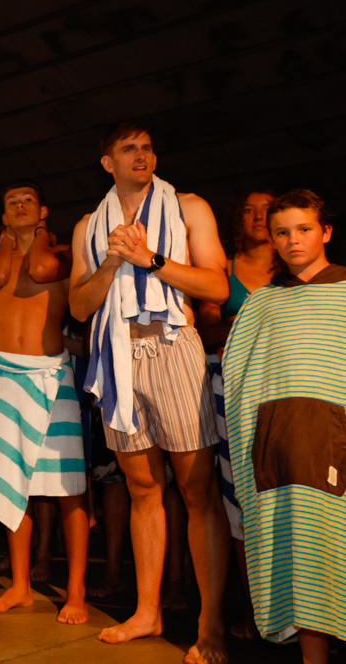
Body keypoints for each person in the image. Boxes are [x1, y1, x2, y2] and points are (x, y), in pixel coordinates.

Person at [69, 122, 230, 662]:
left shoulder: (188, 207)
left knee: (196, 491)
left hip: (173, 343)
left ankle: (210, 625)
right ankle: (147, 611)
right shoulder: (88, 227)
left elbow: (218, 287)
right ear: (107, 163)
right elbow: (77, 306)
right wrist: (114, 260)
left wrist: (151, 261)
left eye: (147, 147)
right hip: (116, 354)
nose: (142, 155)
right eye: (128, 149)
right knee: (141, 490)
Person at [223, 189, 346, 664]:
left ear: (326, 232)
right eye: (282, 233)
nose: (292, 241)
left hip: (334, 436)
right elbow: (239, 376)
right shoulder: (261, 302)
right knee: (303, 552)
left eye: (304, 229)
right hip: (282, 443)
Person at [0, 182, 89, 624]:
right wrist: (9, 243)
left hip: (49, 374)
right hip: (2, 375)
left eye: (28, 201)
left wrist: (37, 235)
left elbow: (40, 269)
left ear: (43, 209)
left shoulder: (60, 256)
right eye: (11, 203)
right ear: (3, 217)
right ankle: (20, 585)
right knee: (10, 479)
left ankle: (75, 591)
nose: (20, 206)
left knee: (68, 486)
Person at [198, 190, 276, 637]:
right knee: (235, 495)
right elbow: (207, 329)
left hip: (282, 387)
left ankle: (287, 607)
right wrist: (259, 322)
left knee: (277, 494)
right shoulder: (222, 268)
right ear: (236, 218)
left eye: (268, 208)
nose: (260, 216)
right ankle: (246, 605)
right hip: (227, 386)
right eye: (249, 208)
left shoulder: (294, 266)